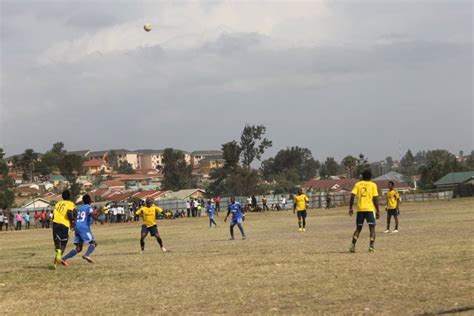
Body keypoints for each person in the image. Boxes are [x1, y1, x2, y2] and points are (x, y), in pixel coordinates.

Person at [62, 194, 100, 264]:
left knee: (78, 248)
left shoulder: (79, 208)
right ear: (89, 200)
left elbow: (74, 215)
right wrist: (99, 219)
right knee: (94, 243)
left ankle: (63, 258)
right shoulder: (89, 207)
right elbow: (92, 215)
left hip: (77, 226)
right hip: (83, 227)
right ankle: (86, 255)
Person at [349, 170, 380, 253]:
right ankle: (371, 247)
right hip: (370, 209)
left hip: (360, 210)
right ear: (370, 177)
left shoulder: (358, 184)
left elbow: (352, 196)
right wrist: (378, 210)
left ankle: (352, 246)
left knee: (358, 229)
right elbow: (375, 199)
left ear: (362, 176)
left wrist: (350, 208)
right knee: (372, 228)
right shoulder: (373, 185)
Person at [50, 190, 76, 270]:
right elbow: (69, 213)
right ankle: (58, 256)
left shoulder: (57, 204)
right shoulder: (70, 204)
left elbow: (53, 215)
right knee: (64, 242)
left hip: (55, 223)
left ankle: (54, 263)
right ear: (69, 196)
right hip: (64, 224)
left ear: (62, 197)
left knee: (57, 241)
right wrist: (72, 222)